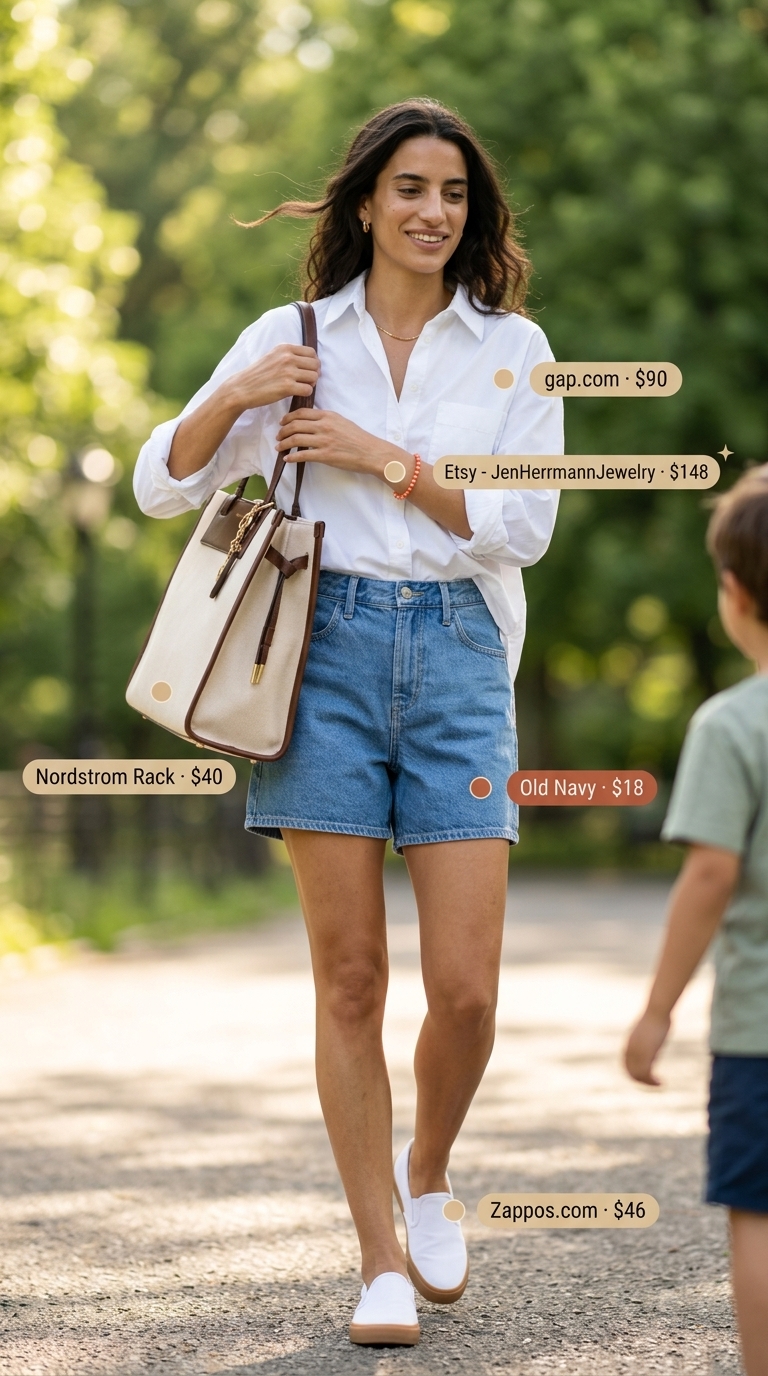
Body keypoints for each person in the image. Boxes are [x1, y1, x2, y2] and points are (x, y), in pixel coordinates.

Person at [134, 98, 562, 1346]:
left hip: (459, 653)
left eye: (455, 194)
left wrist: (382, 457)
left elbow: (520, 524)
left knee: (468, 989)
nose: (435, 212)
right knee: (352, 974)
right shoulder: (292, 334)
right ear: (365, 202)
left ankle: (428, 1165)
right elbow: (165, 481)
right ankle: (379, 1252)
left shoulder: (512, 347)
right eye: (411, 189)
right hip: (315, 651)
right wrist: (239, 398)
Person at [625, 466, 768, 1376]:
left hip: (760, 1034)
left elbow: (711, 871)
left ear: (735, 592)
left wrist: (658, 1010)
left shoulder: (730, 725)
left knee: (757, 1213)